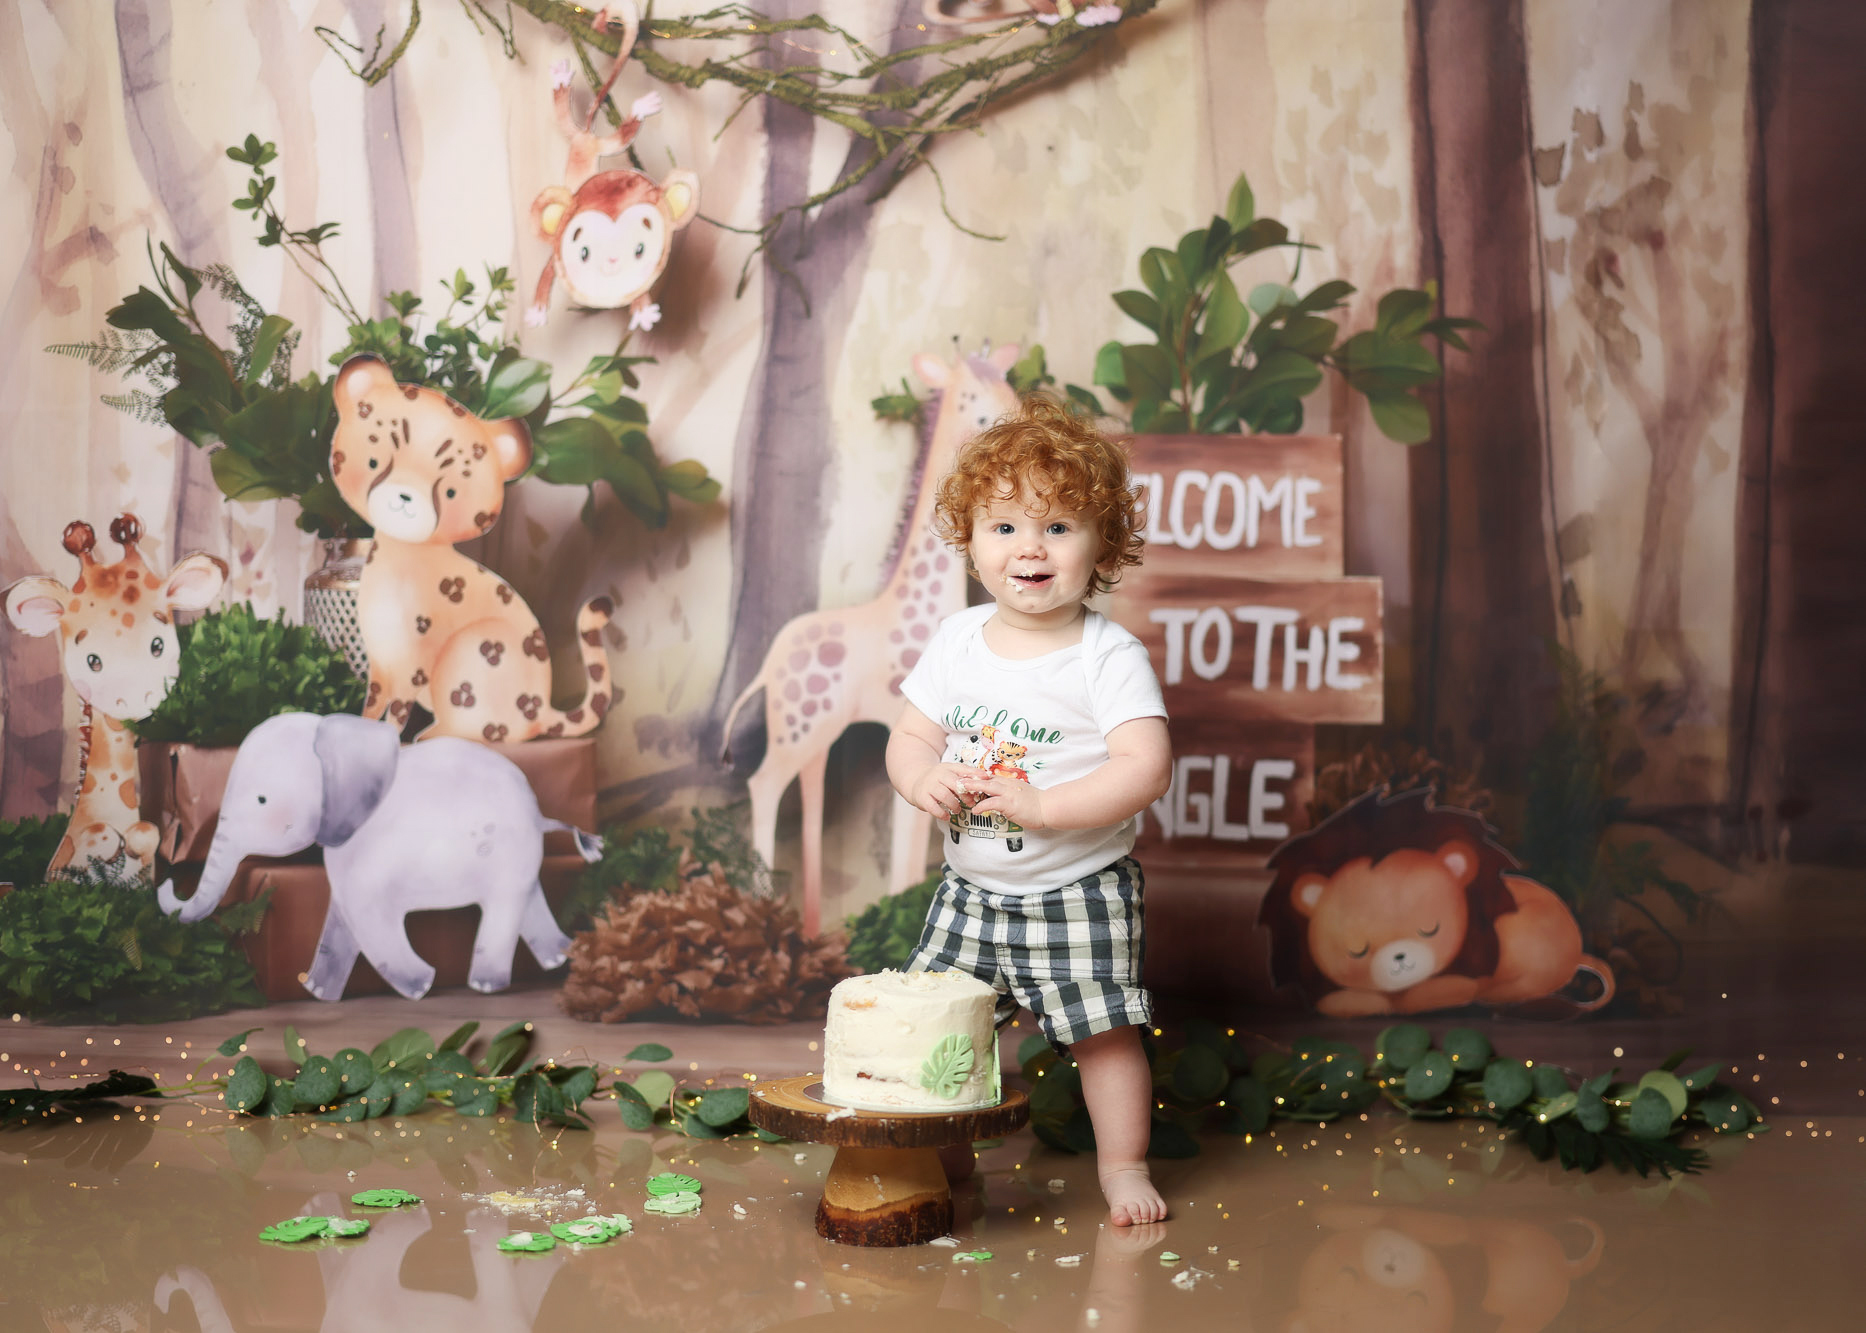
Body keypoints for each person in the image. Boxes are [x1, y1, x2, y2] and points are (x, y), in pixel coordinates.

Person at [885, 394, 1173, 1226]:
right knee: (945, 1029)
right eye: (1004, 527)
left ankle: (1123, 1166)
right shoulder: (956, 641)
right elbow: (910, 736)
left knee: (1103, 1033)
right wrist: (920, 777)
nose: (1029, 548)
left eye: (1058, 527)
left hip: (1077, 887)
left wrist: (1045, 805)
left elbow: (1145, 767)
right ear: (971, 542)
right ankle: (944, 1161)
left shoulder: (1106, 656)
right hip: (970, 891)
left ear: (1102, 545)